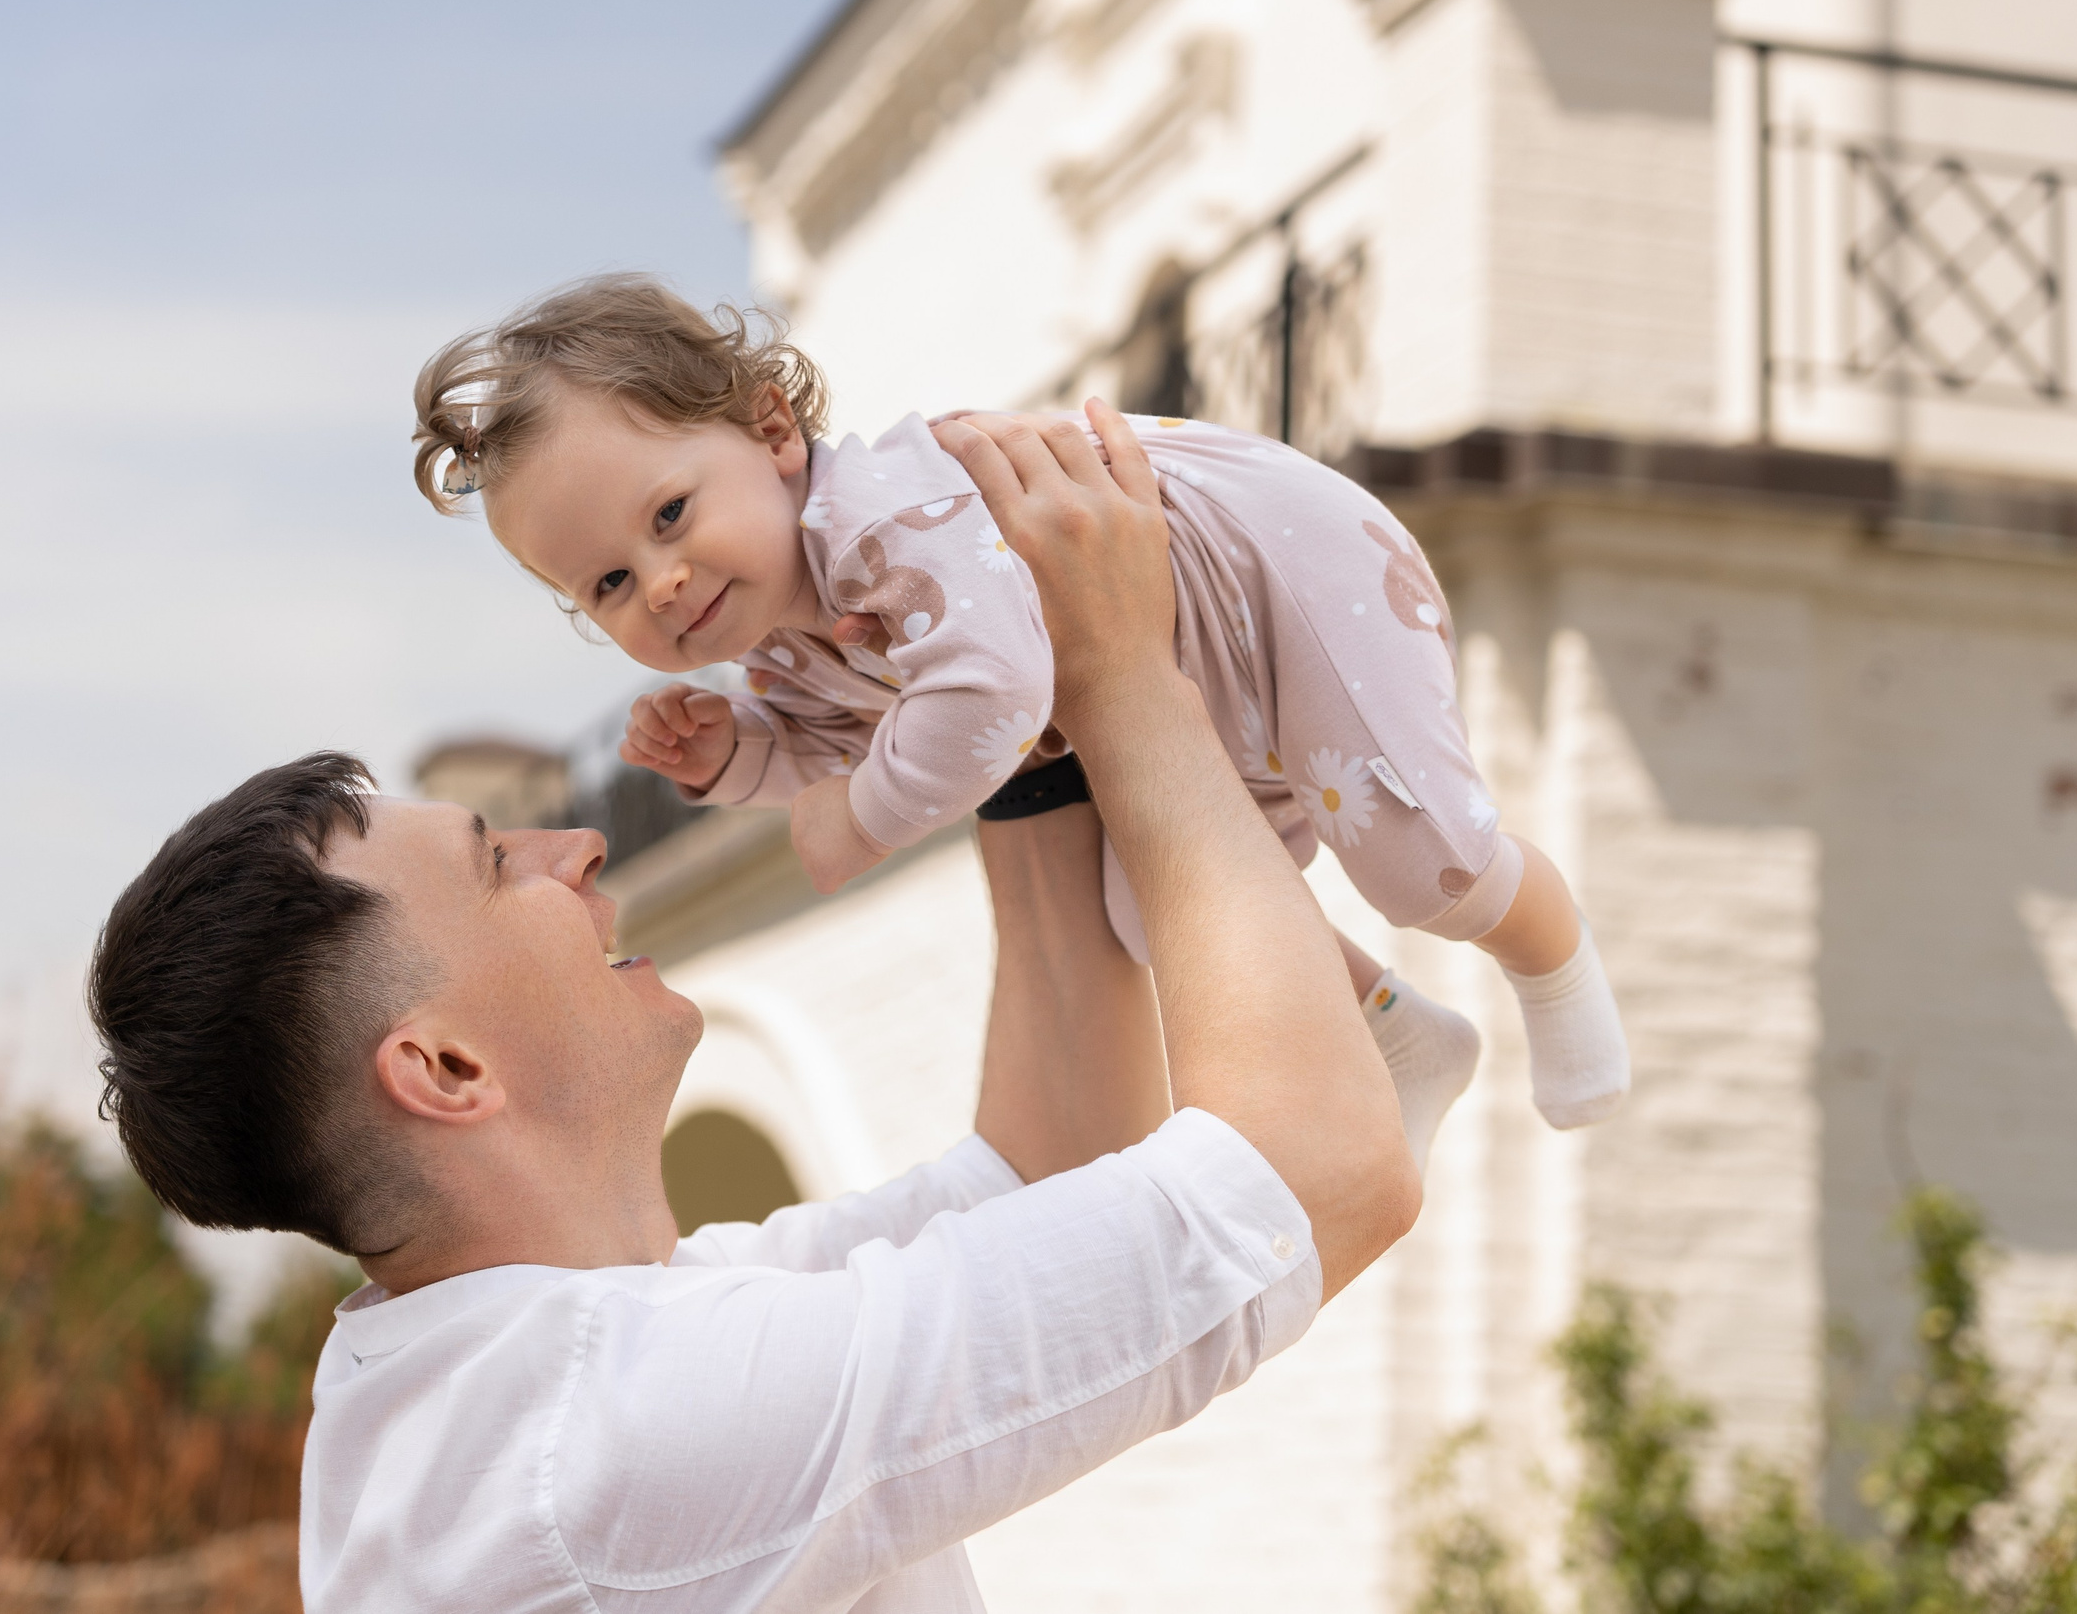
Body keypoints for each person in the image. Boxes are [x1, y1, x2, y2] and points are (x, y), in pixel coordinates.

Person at [89, 410, 1421, 1611]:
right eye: (500, 866)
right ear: (443, 1065)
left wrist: (1003, 680)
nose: (580, 849)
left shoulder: (554, 1359)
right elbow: (1319, 1170)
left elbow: (1046, 1162)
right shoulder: (618, 1439)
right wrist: (1134, 680)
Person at [406, 276, 1628, 1165]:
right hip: (1177, 665)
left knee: (1426, 867)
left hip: (1286, 573)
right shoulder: (780, 639)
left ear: (773, 432)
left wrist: (860, 824)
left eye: (669, 514)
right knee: (1156, 905)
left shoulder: (883, 519)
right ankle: (1402, 1039)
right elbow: (856, 744)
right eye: (608, 585)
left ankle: (1552, 958)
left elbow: (988, 700)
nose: (659, 581)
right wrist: (742, 761)